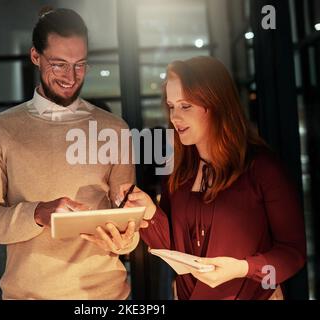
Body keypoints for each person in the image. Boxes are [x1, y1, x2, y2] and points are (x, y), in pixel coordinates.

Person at [0, 8, 139, 300]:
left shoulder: (114, 128)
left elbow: (128, 220)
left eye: (80, 65)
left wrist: (125, 239)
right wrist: (37, 213)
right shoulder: (1, 129)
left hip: (106, 296)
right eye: (59, 65)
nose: (71, 77)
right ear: (35, 56)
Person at [119, 56, 306, 300]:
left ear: (216, 104)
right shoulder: (178, 171)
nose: (174, 117)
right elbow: (170, 248)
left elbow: (293, 254)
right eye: (171, 106)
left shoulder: (262, 168)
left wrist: (243, 268)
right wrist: (149, 212)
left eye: (185, 106)